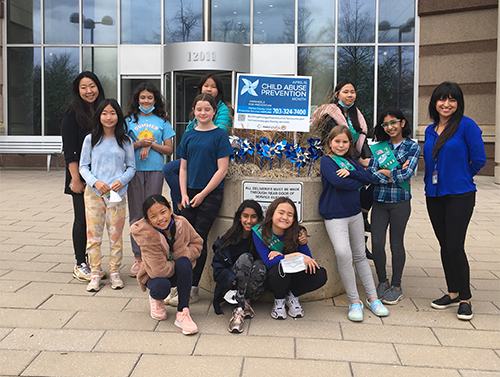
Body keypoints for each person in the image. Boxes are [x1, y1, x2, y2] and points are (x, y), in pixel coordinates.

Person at [424, 82, 486, 321]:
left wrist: (461, 176)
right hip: (434, 195)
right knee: (444, 244)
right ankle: (452, 291)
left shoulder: (466, 125)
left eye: (452, 100)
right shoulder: (430, 129)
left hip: (460, 194)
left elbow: (479, 159)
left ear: (458, 103)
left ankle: (465, 298)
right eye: (442, 99)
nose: (446, 104)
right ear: (435, 103)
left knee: (455, 245)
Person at [319, 126, 388, 322]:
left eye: (345, 142)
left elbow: (369, 177)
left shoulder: (350, 162)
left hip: (355, 214)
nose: (341, 145)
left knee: (360, 256)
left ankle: (372, 298)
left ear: (350, 144)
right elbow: (337, 182)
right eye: (337, 141)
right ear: (330, 143)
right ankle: (354, 301)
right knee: (343, 253)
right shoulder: (326, 161)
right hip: (334, 216)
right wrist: (358, 179)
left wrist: (351, 174)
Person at [171, 93, 233, 305]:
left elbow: (222, 170)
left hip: (211, 194)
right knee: (182, 238)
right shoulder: (188, 135)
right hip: (189, 192)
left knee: (198, 238)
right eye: (199, 109)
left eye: (207, 109)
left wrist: (203, 194)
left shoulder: (219, 136)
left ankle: (193, 288)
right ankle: (180, 284)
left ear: (214, 112)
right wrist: (184, 194)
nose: (203, 113)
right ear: (194, 111)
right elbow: (183, 167)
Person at [79, 99, 136, 292]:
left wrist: (121, 180)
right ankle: (95, 273)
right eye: (104, 113)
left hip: (116, 194)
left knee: (115, 235)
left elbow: (131, 167)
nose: (108, 117)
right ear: (99, 116)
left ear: (118, 116)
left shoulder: (126, 140)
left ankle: (114, 272)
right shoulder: (90, 139)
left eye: (112, 113)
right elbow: (83, 167)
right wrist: (95, 182)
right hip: (94, 194)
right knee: (93, 236)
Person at [312, 79, 373, 257]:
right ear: (337, 94)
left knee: (374, 176)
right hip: (337, 159)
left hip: (354, 158)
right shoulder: (328, 113)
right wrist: (358, 163)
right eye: (345, 91)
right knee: (358, 180)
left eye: (352, 91)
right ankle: (361, 227)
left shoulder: (357, 115)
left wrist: (367, 159)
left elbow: (362, 137)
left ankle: (364, 216)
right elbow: (335, 143)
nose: (349, 95)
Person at [368, 108, 420, 305]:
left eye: (393, 122)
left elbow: (407, 176)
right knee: (377, 244)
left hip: (400, 202)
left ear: (402, 123)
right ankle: (382, 281)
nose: (390, 127)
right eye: (385, 124)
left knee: (396, 244)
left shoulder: (412, 147)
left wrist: (385, 171)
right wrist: (396, 170)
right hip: (379, 201)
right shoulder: (379, 147)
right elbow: (372, 174)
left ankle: (396, 285)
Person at [130, 195, 202, 335]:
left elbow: (197, 243)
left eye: (163, 212)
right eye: (153, 216)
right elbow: (159, 271)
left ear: (170, 210)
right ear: (148, 220)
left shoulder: (181, 223)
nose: (160, 219)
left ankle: (183, 312)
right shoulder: (147, 236)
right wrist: (177, 256)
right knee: (162, 286)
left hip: (173, 269)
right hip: (155, 275)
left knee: (184, 263)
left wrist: (181, 257)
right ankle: (156, 298)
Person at [162, 73, 232, 214]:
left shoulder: (223, 109)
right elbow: (189, 131)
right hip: (194, 152)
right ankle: (179, 204)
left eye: (213, 86)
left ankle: (179, 207)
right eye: (206, 86)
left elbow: (222, 129)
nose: (209, 89)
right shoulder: (197, 109)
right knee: (169, 170)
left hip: (209, 153)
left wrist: (202, 136)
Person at [125, 83, 175, 278]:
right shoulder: (129, 120)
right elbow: (124, 146)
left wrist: (152, 145)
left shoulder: (162, 121)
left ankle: (152, 255)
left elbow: (169, 149)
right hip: (134, 170)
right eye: (142, 98)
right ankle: (138, 257)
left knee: (154, 213)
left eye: (150, 98)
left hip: (155, 170)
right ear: (137, 100)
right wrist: (140, 144)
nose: (146, 101)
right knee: (136, 213)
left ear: (156, 100)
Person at [61, 71, 105, 282]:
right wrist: (75, 179)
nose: (89, 91)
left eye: (92, 86)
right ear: (77, 91)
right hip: (79, 175)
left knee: (96, 221)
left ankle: (94, 263)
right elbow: (69, 149)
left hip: (101, 175)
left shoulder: (103, 110)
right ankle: (80, 263)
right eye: (84, 87)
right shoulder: (72, 113)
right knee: (82, 219)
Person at [252, 197, 327, 320]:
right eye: (281, 213)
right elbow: (268, 262)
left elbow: (309, 260)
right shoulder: (259, 231)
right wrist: (294, 255)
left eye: (290, 215)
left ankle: (292, 297)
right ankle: (279, 301)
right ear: (271, 213)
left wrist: (301, 246)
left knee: (319, 273)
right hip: (275, 278)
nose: (285, 217)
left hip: (294, 275)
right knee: (279, 269)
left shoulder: (297, 232)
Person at [211, 200, 267, 333]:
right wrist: (230, 278)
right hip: (232, 286)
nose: (249, 220)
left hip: (251, 288)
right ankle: (240, 308)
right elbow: (217, 268)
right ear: (239, 218)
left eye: (253, 216)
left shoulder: (263, 238)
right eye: (245, 216)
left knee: (260, 264)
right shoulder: (229, 238)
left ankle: (243, 302)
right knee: (245, 258)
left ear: (259, 219)